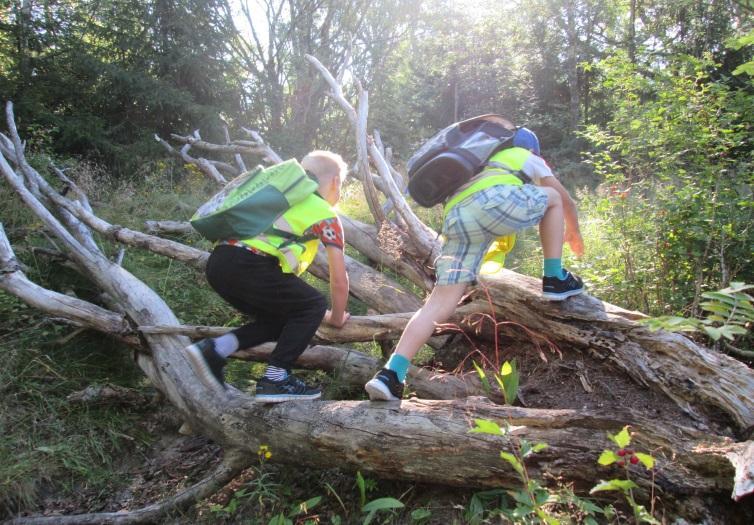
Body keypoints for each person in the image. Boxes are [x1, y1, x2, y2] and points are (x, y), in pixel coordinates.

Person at [365, 127, 585, 401]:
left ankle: (391, 374)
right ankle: (554, 277)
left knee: (437, 303)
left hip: (456, 216)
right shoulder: (525, 156)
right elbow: (564, 199)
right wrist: (574, 231)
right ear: (532, 149)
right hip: (492, 204)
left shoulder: (479, 166)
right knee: (552, 200)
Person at [187, 150, 350, 402]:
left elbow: (286, 298)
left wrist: (319, 315)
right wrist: (337, 317)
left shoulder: (281, 200)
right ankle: (276, 378)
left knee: (280, 320)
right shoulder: (325, 214)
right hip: (250, 264)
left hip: (220, 263)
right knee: (315, 302)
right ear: (336, 182)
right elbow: (339, 279)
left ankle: (215, 349)